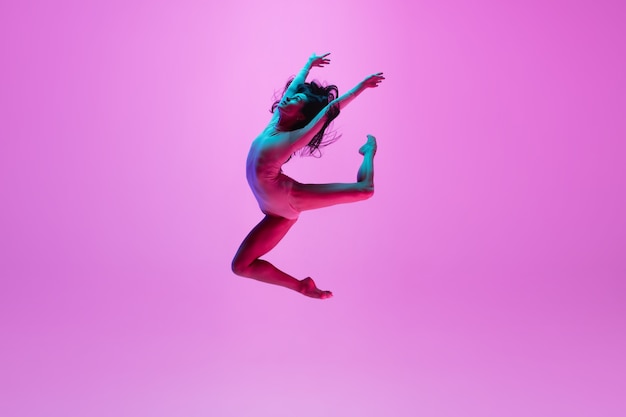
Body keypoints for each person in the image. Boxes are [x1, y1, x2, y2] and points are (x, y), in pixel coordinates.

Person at [231, 52, 385, 299]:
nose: (286, 98)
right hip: (273, 212)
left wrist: (361, 87)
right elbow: (293, 88)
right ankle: (302, 286)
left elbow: (329, 111)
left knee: (365, 190)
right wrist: (308, 65)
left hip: (287, 199)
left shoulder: (292, 138)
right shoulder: (276, 122)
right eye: (289, 95)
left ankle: (368, 151)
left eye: (295, 100)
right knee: (240, 266)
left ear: (301, 115)